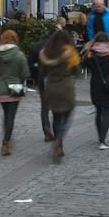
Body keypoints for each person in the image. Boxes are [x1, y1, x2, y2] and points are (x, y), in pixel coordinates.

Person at [38, 31, 78, 160]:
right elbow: (77, 71)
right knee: (66, 116)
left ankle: (58, 143)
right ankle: (58, 141)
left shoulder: (46, 52)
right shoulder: (70, 52)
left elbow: (42, 72)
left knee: (55, 116)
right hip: (66, 86)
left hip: (51, 87)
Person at [0, 29, 30, 156]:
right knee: (11, 116)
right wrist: (20, 81)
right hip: (15, 87)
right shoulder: (19, 55)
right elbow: (25, 73)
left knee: (6, 115)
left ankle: (7, 138)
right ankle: (6, 142)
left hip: (1, 88)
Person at [84, 32, 109, 151]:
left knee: (98, 111)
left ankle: (100, 137)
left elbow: (84, 64)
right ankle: (102, 141)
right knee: (106, 113)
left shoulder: (91, 52)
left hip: (95, 85)